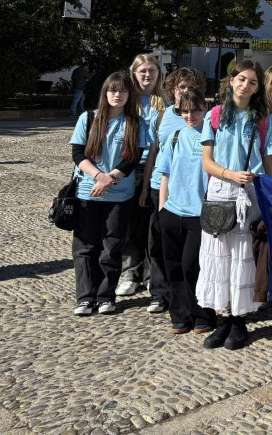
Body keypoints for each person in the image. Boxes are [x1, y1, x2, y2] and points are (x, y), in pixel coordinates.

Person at [197, 59, 272, 351]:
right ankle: (223, 319)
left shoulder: (262, 118)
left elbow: (269, 160)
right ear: (231, 81)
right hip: (221, 189)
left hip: (250, 192)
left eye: (253, 82)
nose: (246, 85)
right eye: (242, 79)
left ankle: (239, 321)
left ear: (258, 88)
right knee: (219, 256)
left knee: (242, 255)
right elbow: (207, 162)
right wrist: (229, 174)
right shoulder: (215, 115)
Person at [70, 71, 142, 316]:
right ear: (105, 92)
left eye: (122, 91)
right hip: (87, 192)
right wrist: (98, 177)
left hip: (119, 194)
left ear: (129, 94)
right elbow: (78, 154)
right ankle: (85, 297)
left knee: (111, 247)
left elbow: (132, 159)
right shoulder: (89, 118)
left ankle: (105, 296)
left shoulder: (134, 122)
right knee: (86, 246)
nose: (117, 95)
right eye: (113, 90)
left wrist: (109, 178)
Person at [137, 67, 207, 316]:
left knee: (188, 256)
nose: (185, 91)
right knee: (158, 246)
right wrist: (146, 187)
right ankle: (160, 293)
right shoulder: (162, 115)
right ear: (173, 90)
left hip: (192, 196)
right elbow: (154, 154)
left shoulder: (205, 120)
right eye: (181, 87)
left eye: (190, 87)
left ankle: (191, 303)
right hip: (161, 188)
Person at [155, 88, 215, 335]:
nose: (190, 116)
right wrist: (162, 209)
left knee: (193, 265)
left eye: (195, 110)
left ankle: (202, 313)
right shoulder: (175, 137)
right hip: (172, 211)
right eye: (185, 111)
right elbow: (165, 174)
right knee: (173, 267)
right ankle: (179, 314)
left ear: (205, 109)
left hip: (198, 213)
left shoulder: (212, 138)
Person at [116, 54, 166, 303]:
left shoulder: (163, 103)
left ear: (159, 74)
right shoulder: (126, 101)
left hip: (154, 169)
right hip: (128, 168)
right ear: (134, 73)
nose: (147, 75)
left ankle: (150, 276)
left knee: (151, 226)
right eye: (142, 71)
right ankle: (129, 273)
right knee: (129, 224)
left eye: (152, 71)